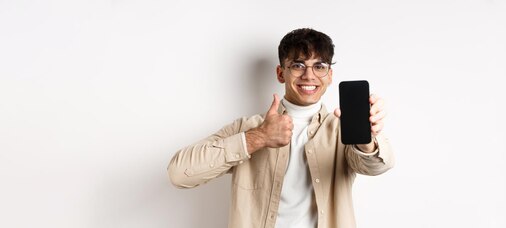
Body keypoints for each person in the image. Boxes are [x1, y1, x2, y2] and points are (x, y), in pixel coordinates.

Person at [167, 28, 395, 228]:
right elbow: (179, 174)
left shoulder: (342, 130)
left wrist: (366, 138)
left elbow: (376, 167)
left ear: (330, 75)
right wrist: (256, 138)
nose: (309, 75)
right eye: (298, 65)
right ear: (280, 73)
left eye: (319, 66)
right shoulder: (248, 127)